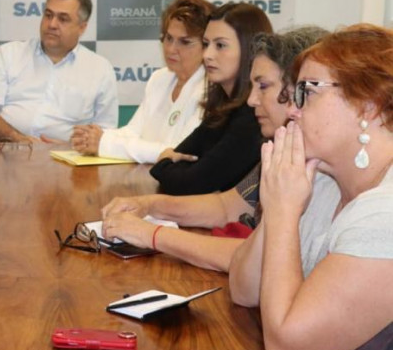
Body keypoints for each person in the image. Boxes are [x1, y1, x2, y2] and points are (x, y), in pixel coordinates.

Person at [229, 24, 393, 350]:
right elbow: (243, 290)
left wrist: (283, 212)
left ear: (369, 105)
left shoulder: (386, 214)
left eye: (307, 92)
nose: (292, 110)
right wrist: (277, 205)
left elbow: (287, 349)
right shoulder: (322, 180)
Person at [100, 27, 328, 272]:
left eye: (263, 86)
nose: (251, 100)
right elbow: (226, 207)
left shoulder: (321, 168)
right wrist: (148, 205)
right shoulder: (280, 152)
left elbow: (252, 259)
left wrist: (151, 234)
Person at [0, 0, 118, 142]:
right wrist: (18, 140)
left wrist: (67, 149)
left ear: (82, 27)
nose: (52, 24)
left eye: (63, 19)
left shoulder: (100, 69)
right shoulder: (10, 54)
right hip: (6, 151)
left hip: (67, 156)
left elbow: (105, 136)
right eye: (48, 15)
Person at [71, 0, 212, 162]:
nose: (170, 49)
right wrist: (93, 136)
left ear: (206, 46)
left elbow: (179, 152)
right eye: (168, 38)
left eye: (185, 42)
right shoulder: (160, 78)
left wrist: (105, 143)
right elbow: (133, 132)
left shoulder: (211, 90)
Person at [148, 2, 272, 194]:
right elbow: (183, 162)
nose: (207, 55)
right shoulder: (222, 110)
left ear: (250, 50)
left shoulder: (252, 117)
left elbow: (190, 183)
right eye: (206, 44)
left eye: (220, 45)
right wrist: (168, 164)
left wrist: (164, 161)